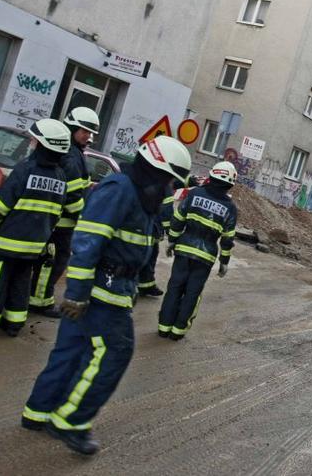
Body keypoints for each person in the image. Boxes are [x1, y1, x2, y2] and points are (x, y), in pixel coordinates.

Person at [22, 135, 190, 455]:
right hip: (102, 291)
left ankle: (38, 412)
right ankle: (71, 421)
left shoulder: (139, 195)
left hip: (109, 288)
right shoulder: (120, 189)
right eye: (169, 181)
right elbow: (87, 242)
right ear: (156, 172)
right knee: (115, 352)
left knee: (71, 351)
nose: (170, 189)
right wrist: (77, 294)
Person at [0, 119, 71, 339]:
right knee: (21, 284)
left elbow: (0, 204)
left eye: (34, 140)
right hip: (34, 246)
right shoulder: (60, 176)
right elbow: (57, 213)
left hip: (7, 243)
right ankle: (13, 324)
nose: (31, 143)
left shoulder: (25, 169)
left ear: (42, 144)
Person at [29, 107, 100, 317]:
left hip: (56, 222)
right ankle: (40, 302)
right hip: (60, 225)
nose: (88, 136)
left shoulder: (72, 151)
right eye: (84, 131)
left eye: (90, 133)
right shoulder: (70, 155)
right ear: (72, 128)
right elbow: (71, 194)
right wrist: (84, 217)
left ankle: (36, 297)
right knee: (52, 263)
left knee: (47, 262)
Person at [158, 161, 237, 341]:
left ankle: (164, 327)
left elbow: (178, 219)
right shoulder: (230, 208)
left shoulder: (194, 194)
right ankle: (178, 331)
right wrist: (224, 262)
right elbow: (227, 240)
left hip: (183, 249)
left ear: (212, 176)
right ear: (230, 183)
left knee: (174, 288)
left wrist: (172, 240)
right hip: (205, 256)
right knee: (192, 293)